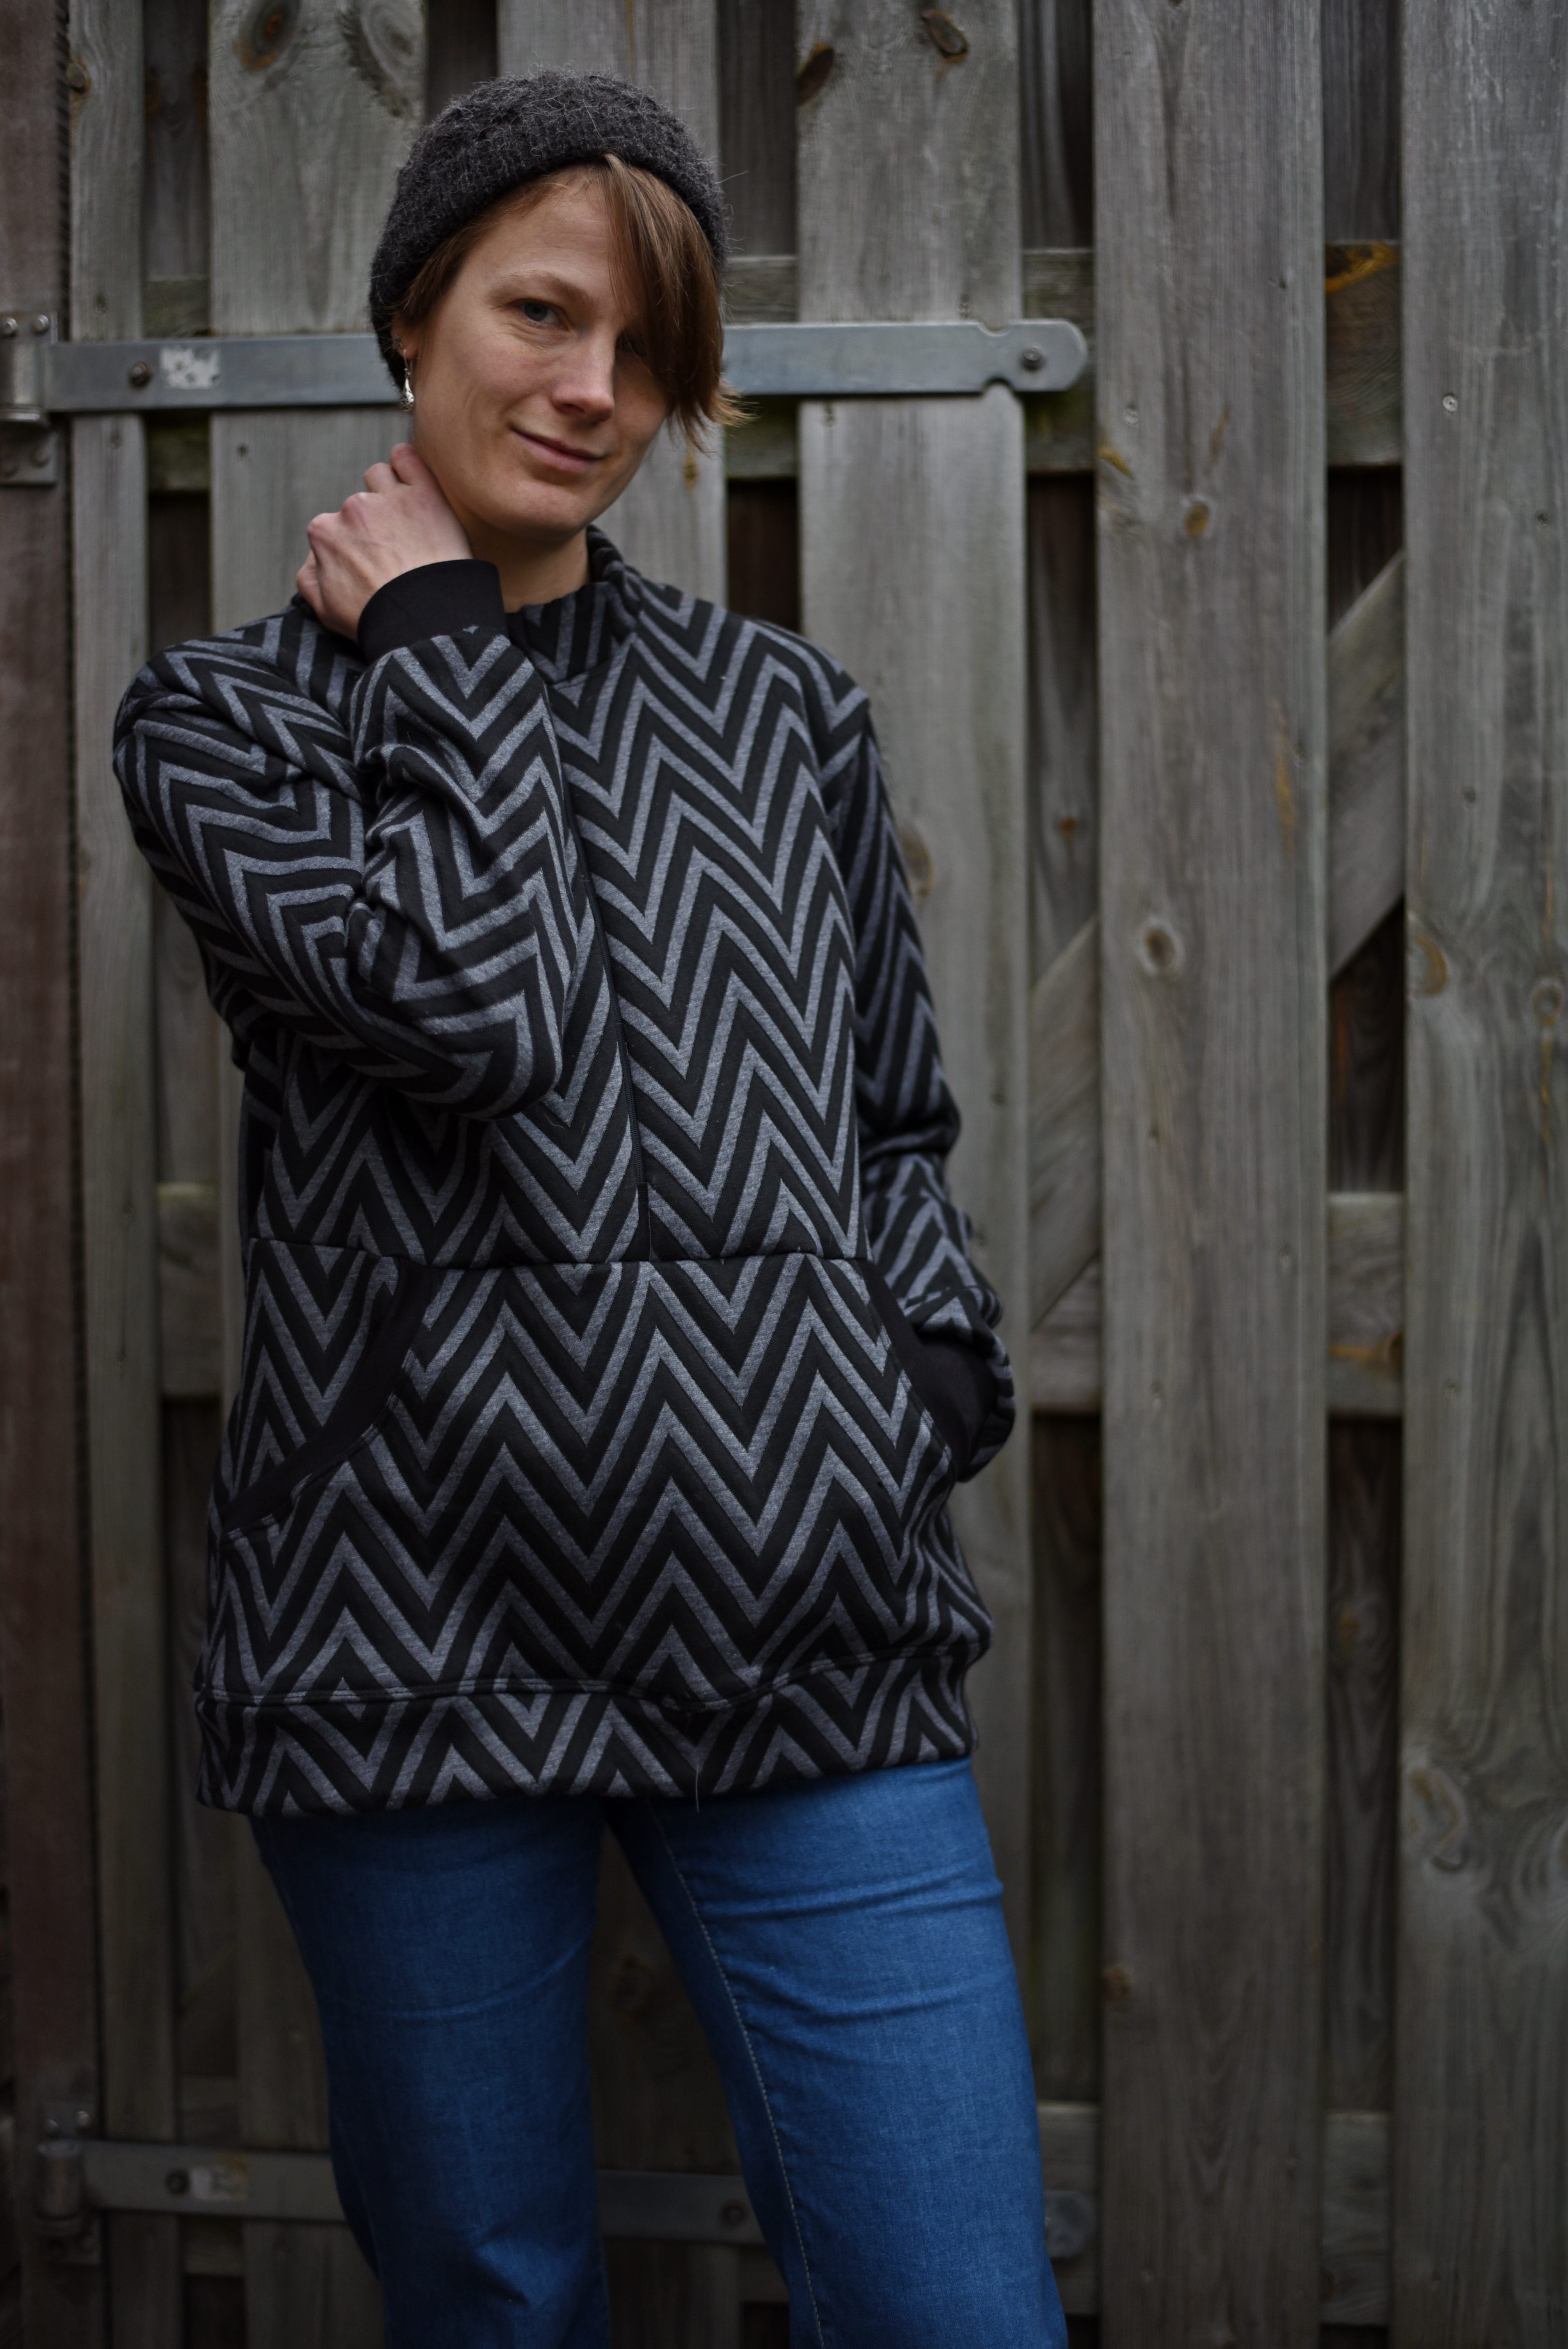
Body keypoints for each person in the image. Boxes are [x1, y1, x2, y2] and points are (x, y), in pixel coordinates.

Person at [115, 70, 1066, 2349]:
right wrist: (443, 651)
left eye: (645, 350)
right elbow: (470, 1014)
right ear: (413, 315)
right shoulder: (224, 728)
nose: (591, 392)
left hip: (801, 1609)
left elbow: (890, 1113)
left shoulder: (780, 711)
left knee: (954, 2301)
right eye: (540, 314)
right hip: (409, 1618)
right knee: (495, 2300)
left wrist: (910, 1386)